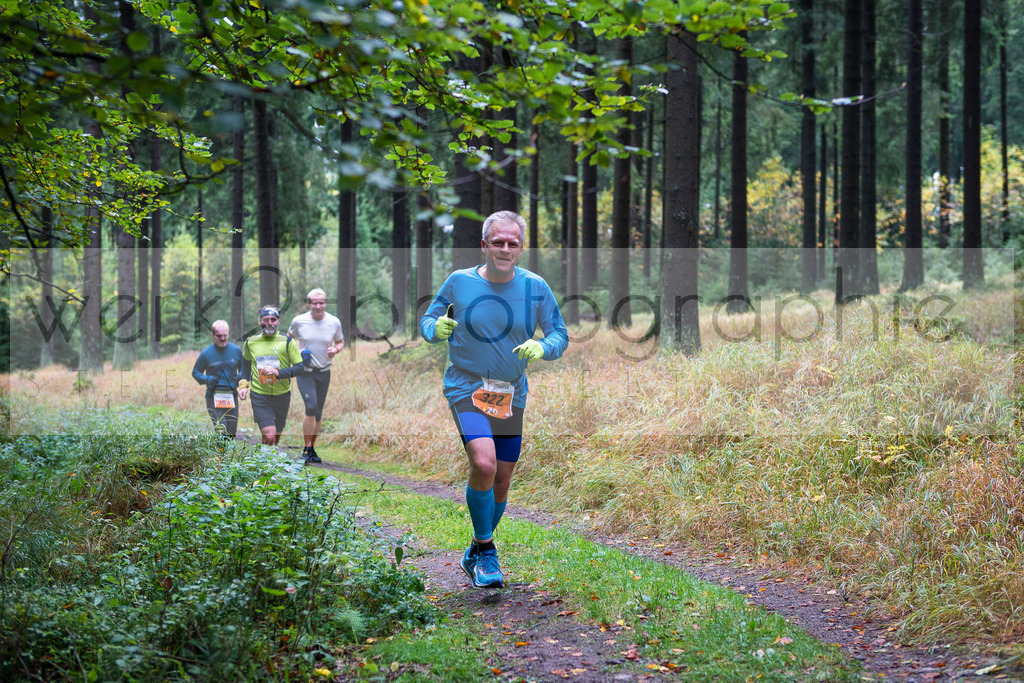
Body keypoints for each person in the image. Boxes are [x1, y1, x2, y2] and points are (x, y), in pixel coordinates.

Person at [419, 210, 568, 589]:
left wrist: (542, 345)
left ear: (521, 248)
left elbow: (559, 335)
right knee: (484, 464)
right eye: (497, 242)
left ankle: (475, 549)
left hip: (510, 392)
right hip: (465, 386)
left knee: (502, 478)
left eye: (512, 243)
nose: (505, 248)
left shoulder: (536, 287)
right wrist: (435, 328)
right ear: (484, 245)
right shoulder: (459, 282)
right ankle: (487, 551)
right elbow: (427, 320)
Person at [287, 287, 345, 464]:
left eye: (322, 303)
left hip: (324, 371)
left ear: (325, 303)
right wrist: (296, 351)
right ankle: (305, 449)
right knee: (310, 407)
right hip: (305, 371)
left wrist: (335, 349)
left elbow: (341, 341)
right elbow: (288, 338)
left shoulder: (334, 322)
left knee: (318, 413)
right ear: (308, 304)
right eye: (315, 303)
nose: (318, 306)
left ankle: (312, 448)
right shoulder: (299, 321)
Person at [239, 304, 309, 449]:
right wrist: (243, 386)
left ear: (278, 321)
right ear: (260, 321)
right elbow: (245, 367)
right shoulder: (250, 342)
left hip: (282, 394)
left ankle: (267, 463)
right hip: (260, 395)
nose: (269, 323)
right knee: (268, 435)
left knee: (275, 437)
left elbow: (299, 368)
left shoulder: (288, 341)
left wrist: (278, 373)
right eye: (266, 319)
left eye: (273, 319)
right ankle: (264, 464)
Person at [191, 320, 244, 438]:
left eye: (225, 336)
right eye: (219, 336)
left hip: (231, 395)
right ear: (213, 335)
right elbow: (195, 372)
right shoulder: (206, 353)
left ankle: (225, 455)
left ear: (229, 334)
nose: (223, 339)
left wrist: (240, 378)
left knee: (231, 433)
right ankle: (219, 454)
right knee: (221, 429)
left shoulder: (236, 351)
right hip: (213, 396)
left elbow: (244, 370)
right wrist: (208, 379)